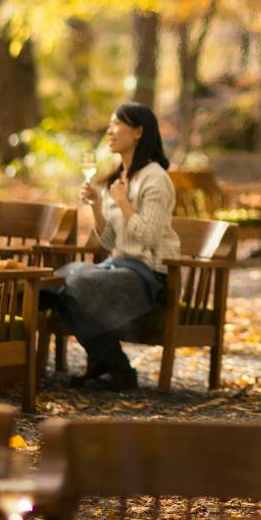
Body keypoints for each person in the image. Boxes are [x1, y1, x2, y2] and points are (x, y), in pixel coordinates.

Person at [42, 103, 181, 392]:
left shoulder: (155, 178)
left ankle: (112, 367)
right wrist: (96, 206)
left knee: (77, 281)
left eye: (117, 124)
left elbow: (149, 238)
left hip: (150, 277)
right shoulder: (116, 180)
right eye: (110, 124)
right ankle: (112, 366)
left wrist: (123, 202)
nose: (109, 130)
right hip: (118, 268)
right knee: (55, 282)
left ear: (139, 132)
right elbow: (108, 242)